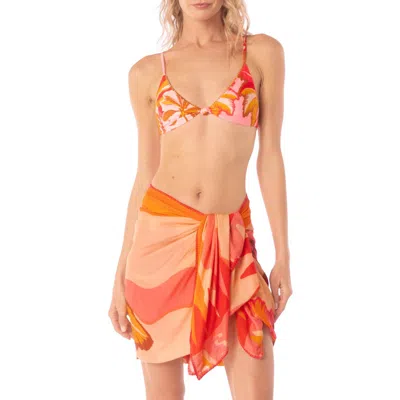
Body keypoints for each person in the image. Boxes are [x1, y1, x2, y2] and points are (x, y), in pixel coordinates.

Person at [108, 1, 292, 399]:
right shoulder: (146, 72)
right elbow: (145, 173)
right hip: (158, 247)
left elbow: (271, 156)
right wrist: (120, 274)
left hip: (232, 245)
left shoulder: (262, 53)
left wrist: (283, 255)